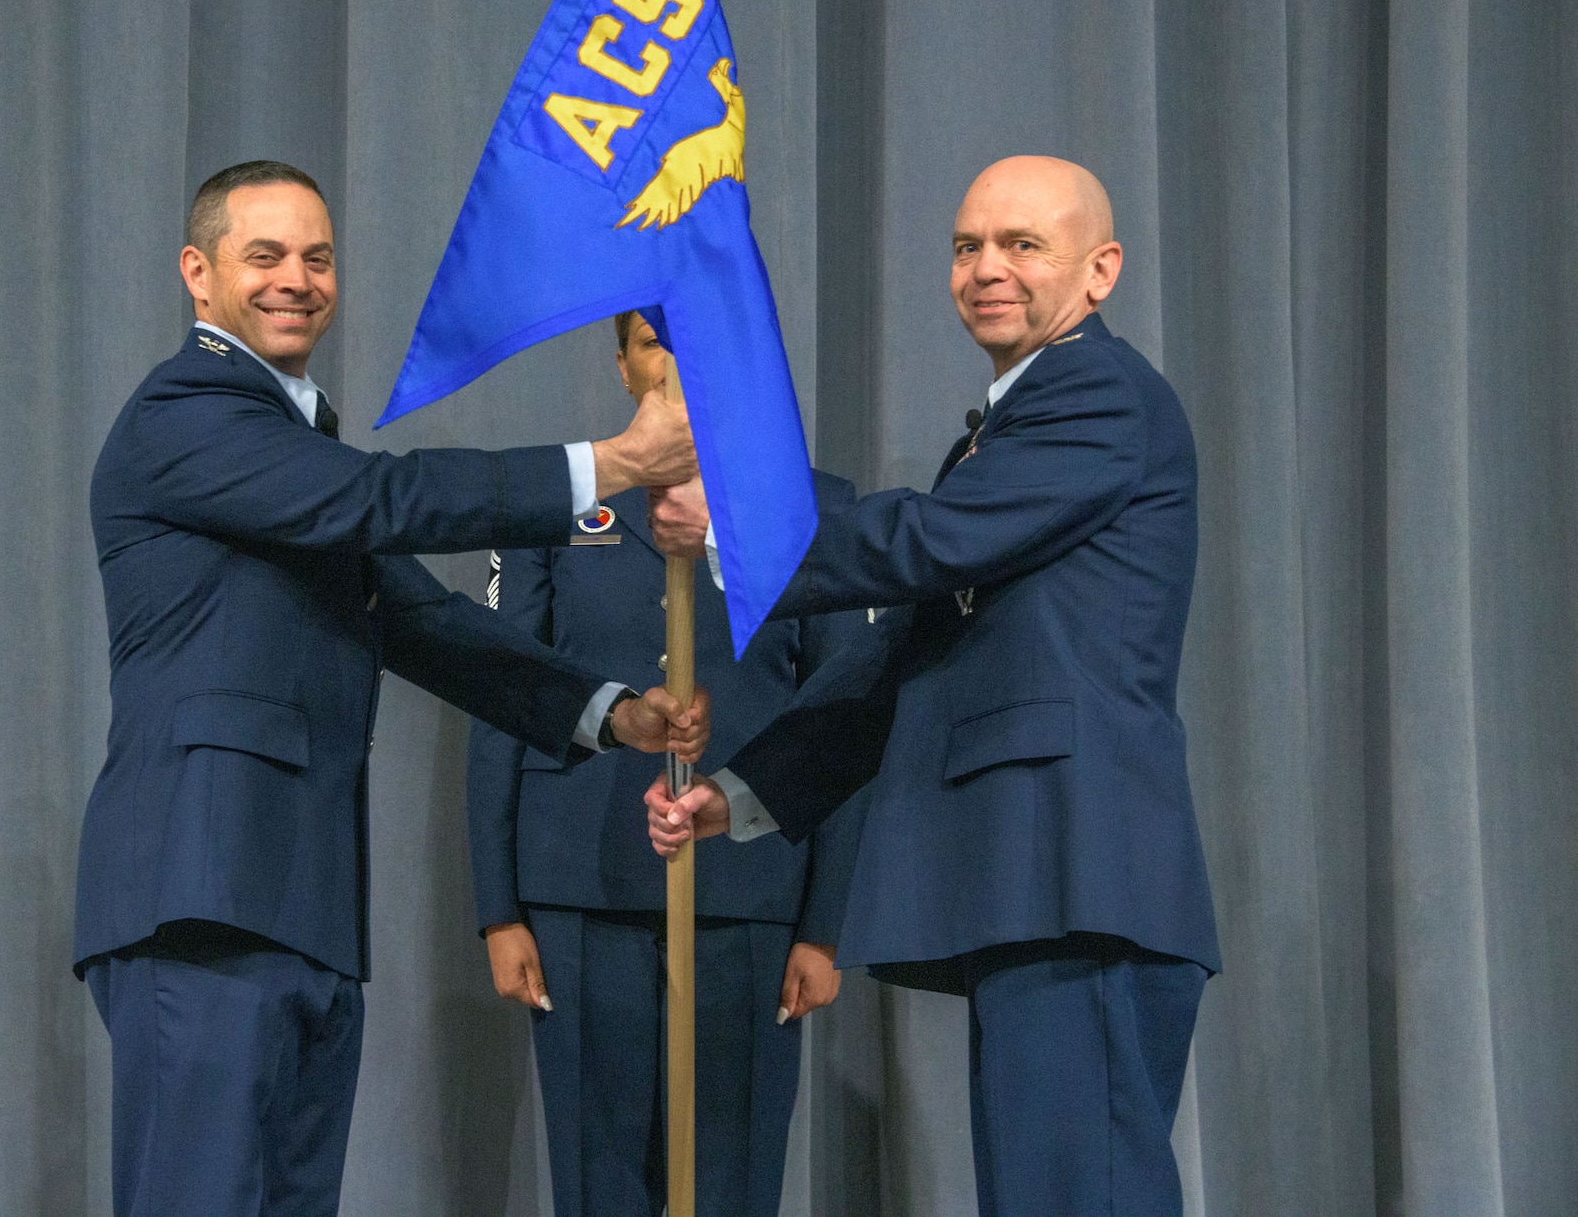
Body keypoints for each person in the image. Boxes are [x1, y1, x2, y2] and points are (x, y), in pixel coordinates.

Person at [78, 160, 712, 1217]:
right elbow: (384, 498)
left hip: (299, 909)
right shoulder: (185, 415)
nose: (296, 279)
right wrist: (606, 467)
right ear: (198, 274)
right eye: (264, 255)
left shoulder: (290, 451)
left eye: (316, 257)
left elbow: (422, 622)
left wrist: (607, 711)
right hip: (200, 896)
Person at [646, 156, 1220, 1216]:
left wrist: (736, 529)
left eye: (1020, 245)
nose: (985, 268)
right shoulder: (1009, 423)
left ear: (1099, 272)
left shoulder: (1093, 392)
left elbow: (929, 542)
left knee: (1074, 1195)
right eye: (966, 246)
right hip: (1039, 886)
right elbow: (907, 653)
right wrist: (750, 790)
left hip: (1075, 870)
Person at [466, 312, 872, 1217]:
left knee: (731, 1184)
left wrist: (825, 926)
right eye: (654, 341)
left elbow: (843, 722)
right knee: (594, 1184)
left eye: (701, 338)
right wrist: (499, 909)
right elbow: (501, 697)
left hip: (752, 899)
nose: (677, 362)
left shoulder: (818, 509)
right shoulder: (551, 504)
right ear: (621, 364)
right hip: (579, 888)